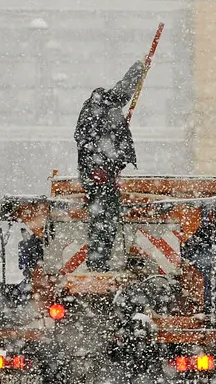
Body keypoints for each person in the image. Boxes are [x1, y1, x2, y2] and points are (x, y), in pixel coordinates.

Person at [74, 60, 146, 271]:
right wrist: (139, 69)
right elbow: (123, 91)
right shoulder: (100, 108)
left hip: (100, 174)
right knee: (105, 219)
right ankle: (98, 262)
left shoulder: (98, 110)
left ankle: (99, 260)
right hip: (100, 175)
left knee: (104, 218)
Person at [182, 202, 216, 322]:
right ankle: (213, 312)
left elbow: (188, 248)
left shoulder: (207, 230)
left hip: (211, 266)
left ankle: (211, 311)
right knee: (214, 287)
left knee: (211, 286)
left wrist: (196, 262)